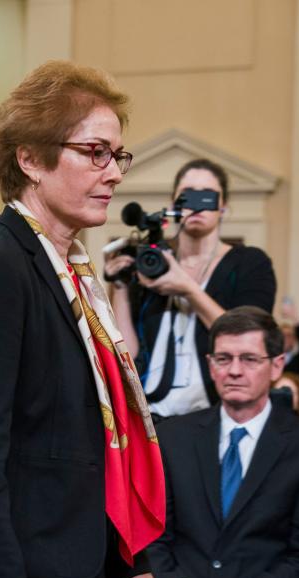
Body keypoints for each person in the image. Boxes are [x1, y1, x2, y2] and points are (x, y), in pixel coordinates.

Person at [0, 60, 164, 578]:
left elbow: (90, 442)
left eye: (117, 155)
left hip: (77, 566)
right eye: (94, 152)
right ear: (30, 160)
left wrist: (128, 562)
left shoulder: (76, 273)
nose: (113, 173)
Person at [147, 306, 299, 578]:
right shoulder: (172, 438)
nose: (234, 370)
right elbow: (154, 537)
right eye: (223, 359)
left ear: (277, 365)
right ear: (210, 366)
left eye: (249, 359)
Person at [105, 158, 277, 421]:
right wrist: (119, 287)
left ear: (223, 208)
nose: (196, 204)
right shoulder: (152, 262)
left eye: (206, 195)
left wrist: (187, 288)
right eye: (187, 195)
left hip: (212, 415)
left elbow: (248, 340)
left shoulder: (250, 263)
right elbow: (126, 353)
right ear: (174, 205)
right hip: (148, 414)